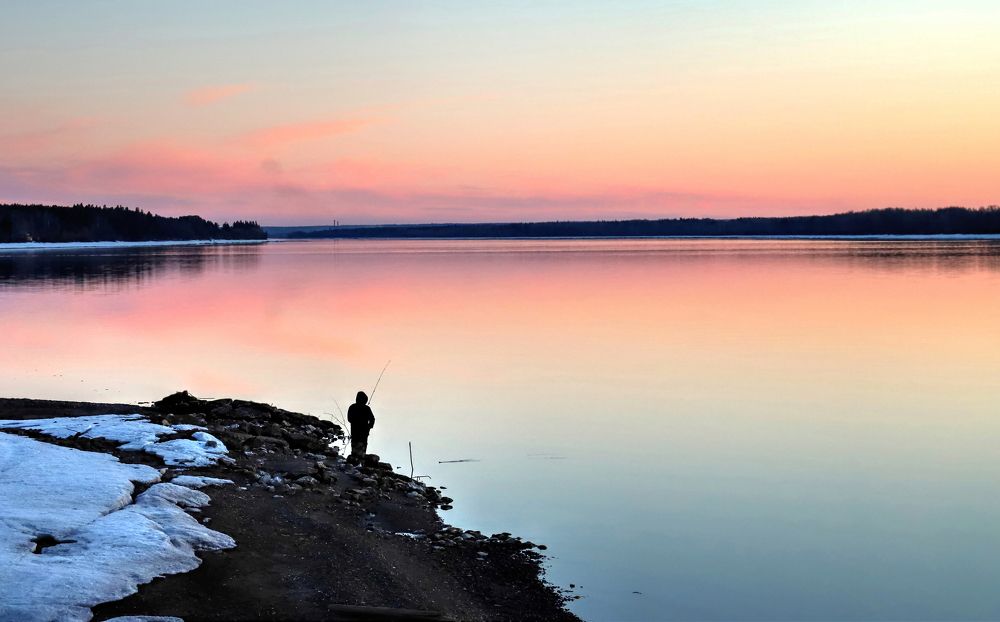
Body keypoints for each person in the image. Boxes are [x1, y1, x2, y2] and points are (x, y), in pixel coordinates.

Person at [347, 390, 375, 461]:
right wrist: (369, 427)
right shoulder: (366, 409)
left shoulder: (352, 407)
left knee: (354, 449)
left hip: (355, 431)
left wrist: (355, 422)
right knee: (362, 450)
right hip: (363, 433)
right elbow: (372, 419)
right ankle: (360, 463)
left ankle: (354, 462)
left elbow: (349, 419)